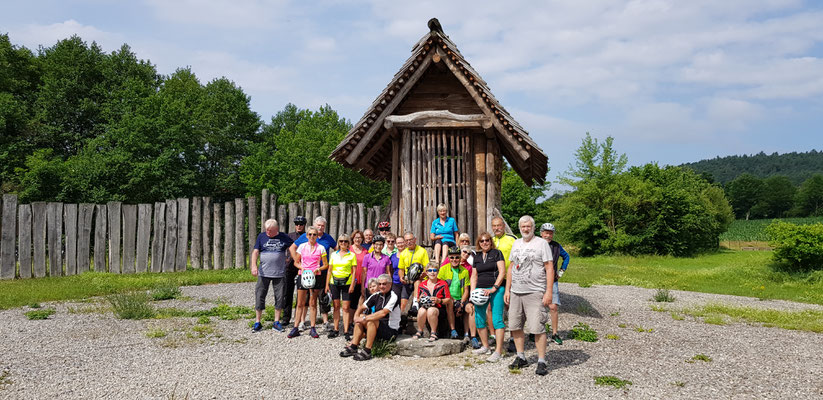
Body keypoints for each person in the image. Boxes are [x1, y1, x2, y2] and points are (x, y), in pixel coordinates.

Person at [505, 216, 554, 376]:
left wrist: (548, 291)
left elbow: (549, 268)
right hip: (516, 291)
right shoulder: (517, 243)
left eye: (528, 226)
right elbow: (511, 267)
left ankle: (541, 360)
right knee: (515, 326)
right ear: (519, 227)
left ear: (533, 227)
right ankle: (521, 357)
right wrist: (507, 289)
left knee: (537, 327)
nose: (525, 229)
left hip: (535, 291)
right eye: (523, 226)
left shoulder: (542, 244)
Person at [339, 274, 401, 361]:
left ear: (390, 284)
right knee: (361, 317)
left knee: (371, 320)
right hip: (378, 327)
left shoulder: (393, 296)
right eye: (379, 284)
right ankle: (354, 346)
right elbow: (361, 307)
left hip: (391, 330)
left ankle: (367, 350)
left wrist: (364, 318)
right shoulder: (376, 295)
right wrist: (356, 317)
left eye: (384, 284)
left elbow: (383, 313)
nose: (381, 286)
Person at [290, 217, 336, 331]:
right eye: (318, 225)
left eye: (322, 226)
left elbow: (337, 249)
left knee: (321, 298)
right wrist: (301, 265)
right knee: (303, 300)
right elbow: (293, 249)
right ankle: (301, 322)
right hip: (305, 274)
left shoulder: (326, 240)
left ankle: (323, 322)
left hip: (321, 273)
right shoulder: (303, 241)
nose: (320, 227)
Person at [251, 219, 294, 333]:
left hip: (279, 273)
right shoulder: (261, 236)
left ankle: (276, 321)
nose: (268, 232)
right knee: (260, 295)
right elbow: (255, 252)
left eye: (270, 230)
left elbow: (293, 247)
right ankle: (258, 322)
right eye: (266, 230)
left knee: (280, 297)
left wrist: (293, 258)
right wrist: (253, 266)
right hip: (263, 273)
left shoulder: (284, 237)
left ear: (276, 230)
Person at [471, 231, 507, 362]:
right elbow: (474, 276)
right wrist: (473, 292)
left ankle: (498, 351)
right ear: (479, 243)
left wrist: (494, 288)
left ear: (490, 242)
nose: (484, 243)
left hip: (496, 289)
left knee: (497, 319)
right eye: (482, 241)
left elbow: (502, 271)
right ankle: (485, 346)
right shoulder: (477, 256)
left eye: (487, 240)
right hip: (480, 290)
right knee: (479, 318)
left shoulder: (497, 253)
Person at [288, 226, 329, 339]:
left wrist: (318, 269)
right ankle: (295, 327)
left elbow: (326, 264)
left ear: (317, 236)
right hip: (303, 275)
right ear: (307, 236)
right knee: (300, 303)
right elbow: (296, 262)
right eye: (310, 234)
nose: (312, 236)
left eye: (314, 234)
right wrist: (302, 268)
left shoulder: (321, 248)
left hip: (316, 276)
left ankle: (312, 327)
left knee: (312, 303)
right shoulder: (302, 247)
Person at [541, 222, 570, 345]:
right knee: (537, 307)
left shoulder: (556, 246)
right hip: (537, 280)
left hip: (552, 280)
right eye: (546, 233)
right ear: (541, 233)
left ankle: (554, 333)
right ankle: (535, 331)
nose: (548, 235)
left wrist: (561, 271)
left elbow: (566, 256)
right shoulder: (536, 244)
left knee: (553, 307)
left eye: (551, 233)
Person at [325, 233, 357, 339]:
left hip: (347, 283)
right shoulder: (334, 254)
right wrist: (327, 285)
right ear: (338, 243)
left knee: (346, 307)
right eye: (341, 241)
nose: (343, 243)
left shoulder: (352, 255)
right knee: (336, 306)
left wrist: (352, 285)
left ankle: (346, 330)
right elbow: (329, 270)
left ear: (349, 243)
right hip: (334, 282)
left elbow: (354, 272)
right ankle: (336, 329)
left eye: (346, 241)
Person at [438, 246, 471, 340]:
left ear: (460, 258)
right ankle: (453, 330)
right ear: (448, 258)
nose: (454, 259)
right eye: (452, 257)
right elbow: (441, 288)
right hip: (449, 298)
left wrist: (461, 303)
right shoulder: (443, 269)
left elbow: (466, 290)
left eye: (457, 257)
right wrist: (453, 300)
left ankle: (468, 334)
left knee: (470, 308)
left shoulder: (464, 271)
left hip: (461, 298)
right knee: (450, 303)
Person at [414, 262, 451, 341]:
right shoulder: (422, 284)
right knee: (421, 311)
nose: (432, 272)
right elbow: (417, 299)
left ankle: (434, 332)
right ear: (426, 272)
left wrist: (439, 300)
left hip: (439, 308)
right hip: (425, 307)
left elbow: (448, 299)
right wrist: (420, 299)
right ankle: (420, 331)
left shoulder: (443, 283)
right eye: (430, 270)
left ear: (438, 272)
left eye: (435, 270)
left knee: (431, 310)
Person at [282, 216, 307, 326]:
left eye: (301, 224)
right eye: (297, 224)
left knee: (301, 295)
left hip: (303, 267)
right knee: (287, 293)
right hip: (290, 267)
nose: (299, 226)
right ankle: (286, 317)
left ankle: (300, 318)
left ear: (304, 225)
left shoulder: (308, 236)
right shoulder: (289, 236)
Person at [397, 232, 429, 314]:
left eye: (410, 240)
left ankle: (415, 304)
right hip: (408, 280)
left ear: (415, 240)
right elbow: (401, 269)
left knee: (417, 282)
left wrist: (423, 275)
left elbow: (427, 266)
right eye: (406, 240)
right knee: (403, 305)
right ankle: (402, 322)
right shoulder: (403, 253)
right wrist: (401, 277)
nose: (409, 242)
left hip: (420, 279)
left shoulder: (422, 251)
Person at [350, 230, 368, 311]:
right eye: (356, 237)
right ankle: (349, 322)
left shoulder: (365, 251)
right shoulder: (349, 250)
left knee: (361, 299)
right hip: (350, 279)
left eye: (360, 238)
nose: (358, 239)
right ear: (353, 238)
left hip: (362, 279)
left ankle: (357, 320)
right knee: (351, 302)